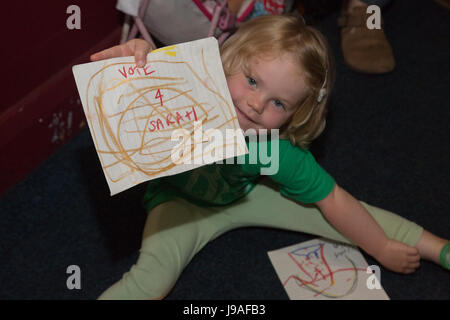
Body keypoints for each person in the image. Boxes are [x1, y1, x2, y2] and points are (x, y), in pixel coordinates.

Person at [90, 15, 449, 300]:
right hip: (177, 203)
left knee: (346, 213)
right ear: (227, 60)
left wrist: (382, 248)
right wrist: (136, 58)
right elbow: (140, 84)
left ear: (296, 115)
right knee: (153, 278)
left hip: (245, 197)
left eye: (279, 103)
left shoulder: (273, 148)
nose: (256, 105)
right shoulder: (187, 93)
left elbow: (335, 200)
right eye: (252, 80)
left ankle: (438, 248)